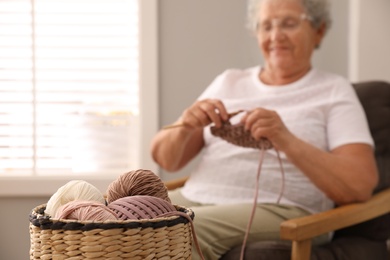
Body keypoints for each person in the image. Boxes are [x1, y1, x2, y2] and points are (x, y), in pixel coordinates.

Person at [150, 0, 379, 259]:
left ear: (319, 30)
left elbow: (358, 184)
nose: (275, 36)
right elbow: (165, 158)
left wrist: (286, 139)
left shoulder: (333, 91)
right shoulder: (229, 81)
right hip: (196, 195)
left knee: (174, 230)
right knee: (121, 218)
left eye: (289, 24)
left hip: (284, 210)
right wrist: (185, 127)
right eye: (266, 26)